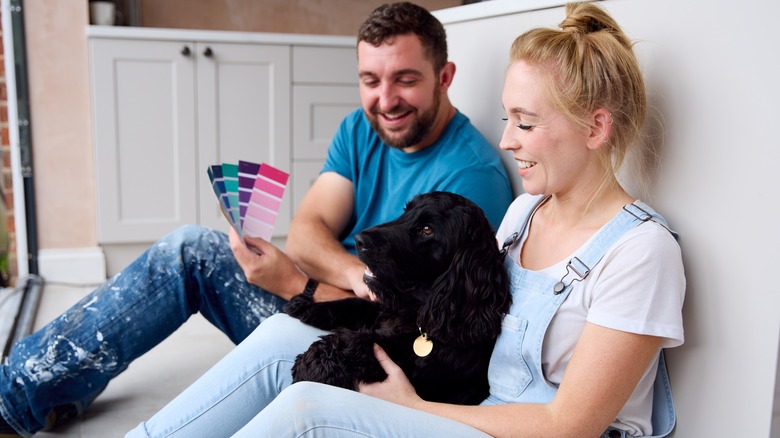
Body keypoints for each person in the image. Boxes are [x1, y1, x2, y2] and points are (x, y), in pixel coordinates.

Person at [123, 2, 685, 437]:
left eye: (527, 124)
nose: (507, 139)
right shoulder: (523, 214)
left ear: (596, 128)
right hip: (476, 412)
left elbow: (571, 426)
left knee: (307, 410)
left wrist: (414, 408)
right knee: (281, 336)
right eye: (506, 118)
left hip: (521, 431)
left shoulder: (639, 252)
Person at [0, 3, 514, 436]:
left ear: (444, 77)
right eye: (370, 80)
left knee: (192, 253)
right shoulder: (363, 129)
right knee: (197, 247)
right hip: (341, 300)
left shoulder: (470, 180)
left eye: (405, 80)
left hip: (374, 340)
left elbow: (423, 328)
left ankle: (16, 396)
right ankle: (39, 390)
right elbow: (308, 229)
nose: (385, 100)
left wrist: (298, 282)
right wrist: (359, 276)